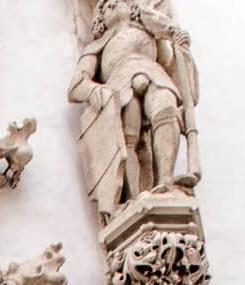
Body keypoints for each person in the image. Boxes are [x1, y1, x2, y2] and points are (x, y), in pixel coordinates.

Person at [68, 0, 198, 220]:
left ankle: (166, 181)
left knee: (166, 106)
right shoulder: (97, 46)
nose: (115, 7)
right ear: (99, 21)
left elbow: (172, 67)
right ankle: (135, 197)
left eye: (120, 3)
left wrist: (180, 46)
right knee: (130, 135)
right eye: (108, 7)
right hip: (121, 83)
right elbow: (76, 85)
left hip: (154, 74)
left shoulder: (152, 33)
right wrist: (93, 91)